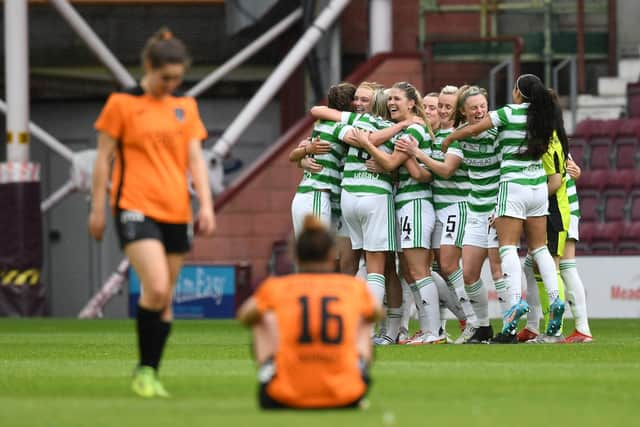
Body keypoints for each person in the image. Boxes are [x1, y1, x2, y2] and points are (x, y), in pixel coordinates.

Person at [88, 28, 215, 398]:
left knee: (164, 297)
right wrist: (98, 208)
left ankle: (150, 373)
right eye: (165, 77)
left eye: (177, 78)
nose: (171, 84)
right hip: (133, 206)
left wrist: (205, 205)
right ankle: (145, 370)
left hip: (176, 209)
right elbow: (102, 159)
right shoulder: (121, 104)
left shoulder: (185, 107)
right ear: (148, 67)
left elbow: (195, 160)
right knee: (156, 286)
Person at [442, 74, 566, 341]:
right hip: (537, 187)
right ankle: (555, 299)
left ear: (519, 92)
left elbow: (475, 129)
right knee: (540, 248)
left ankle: (513, 306)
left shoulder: (508, 113)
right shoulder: (543, 116)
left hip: (513, 186)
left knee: (508, 247)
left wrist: (450, 138)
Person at [237, 215, 383, 410]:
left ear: (294, 256)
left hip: (281, 397)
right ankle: (357, 371)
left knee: (264, 317)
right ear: (332, 254)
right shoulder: (352, 287)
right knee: (363, 319)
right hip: (346, 396)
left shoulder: (276, 287)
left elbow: (244, 316)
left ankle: (269, 371)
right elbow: (377, 313)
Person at [289, 82, 356, 238]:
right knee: (318, 254)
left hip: (304, 195)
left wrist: (303, 157)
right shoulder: (339, 127)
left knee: (308, 257)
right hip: (316, 196)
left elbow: (293, 157)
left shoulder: (320, 126)